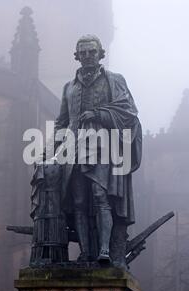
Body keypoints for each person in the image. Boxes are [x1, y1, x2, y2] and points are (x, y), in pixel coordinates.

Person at [55, 35, 142, 269]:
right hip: (73, 151)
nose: (87, 56)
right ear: (77, 55)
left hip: (104, 148)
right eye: (82, 52)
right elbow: (61, 123)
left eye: (91, 52)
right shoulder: (68, 88)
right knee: (79, 202)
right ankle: (85, 253)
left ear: (100, 53)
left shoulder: (115, 80)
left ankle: (105, 250)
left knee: (101, 197)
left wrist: (99, 114)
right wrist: (54, 149)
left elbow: (129, 112)